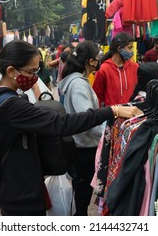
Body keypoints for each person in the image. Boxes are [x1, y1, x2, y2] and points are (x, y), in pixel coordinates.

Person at [0, 40, 141, 216]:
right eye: (31, 71)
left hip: (10, 185)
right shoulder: (11, 106)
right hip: (19, 191)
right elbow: (62, 123)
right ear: (11, 71)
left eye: (37, 71)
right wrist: (112, 110)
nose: (35, 77)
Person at [58, 40, 102, 216]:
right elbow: (87, 118)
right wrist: (107, 134)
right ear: (90, 61)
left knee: (81, 193)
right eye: (97, 59)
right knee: (82, 195)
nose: (99, 62)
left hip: (80, 144)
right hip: (84, 146)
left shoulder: (76, 81)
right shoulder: (79, 84)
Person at [93, 32, 139, 107]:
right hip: (112, 115)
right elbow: (97, 96)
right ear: (120, 49)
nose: (132, 51)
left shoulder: (135, 67)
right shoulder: (103, 69)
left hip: (132, 114)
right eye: (130, 48)